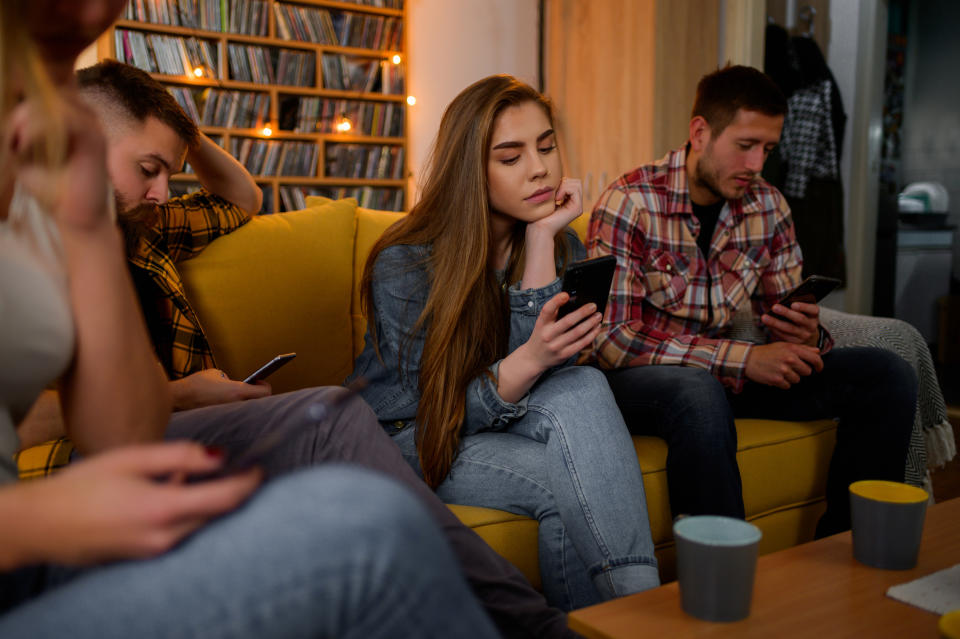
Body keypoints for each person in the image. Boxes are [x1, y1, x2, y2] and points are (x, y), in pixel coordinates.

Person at [14, 58, 577, 637]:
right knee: (329, 419)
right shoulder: (26, 243)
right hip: (92, 453)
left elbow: (241, 196)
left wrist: (178, 130)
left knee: (336, 422)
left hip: (167, 424)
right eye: (149, 168)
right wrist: (181, 393)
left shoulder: (140, 227)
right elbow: (32, 418)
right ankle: (534, 626)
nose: (162, 190)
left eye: (169, 172)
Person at [351, 74, 659, 612]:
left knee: (581, 405)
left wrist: (541, 241)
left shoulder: (559, 241)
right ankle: (640, 618)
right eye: (511, 157)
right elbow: (440, 412)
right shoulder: (406, 261)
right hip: (409, 437)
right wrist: (537, 354)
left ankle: (618, 619)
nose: (540, 168)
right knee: (577, 476)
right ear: (472, 169)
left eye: (546, 146)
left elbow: (557, 377)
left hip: (500, 415)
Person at [586, 65, 917, 537]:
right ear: (700, 132)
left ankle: (850, 545)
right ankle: (720, 576)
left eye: (768, 149)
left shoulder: (769, 207)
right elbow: (611, 341)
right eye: (745, 146)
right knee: (697, 391)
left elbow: (780, 316)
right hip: (642, 383)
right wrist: (743, 359)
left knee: (885, 373)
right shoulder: (630, 202)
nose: (758, 164)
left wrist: (806, 333)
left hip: (725, 377)